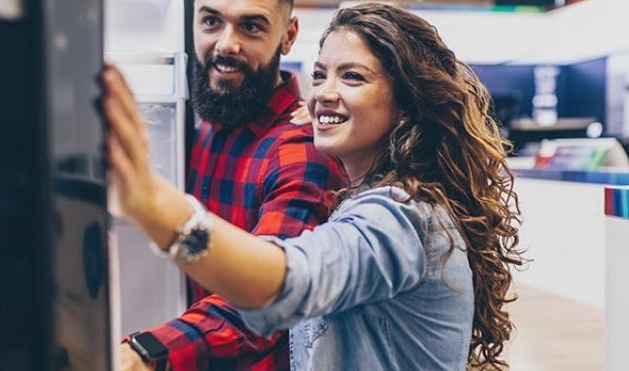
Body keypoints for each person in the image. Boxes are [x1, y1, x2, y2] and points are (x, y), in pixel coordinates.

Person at [103, 2, 525, 370]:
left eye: (353, 78)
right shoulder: (359, 200)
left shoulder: (402, 217)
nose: (324, 93)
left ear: (407, 104)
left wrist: (152, 203)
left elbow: (290, 281)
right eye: (320, 75)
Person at [112, 0, 346, 370]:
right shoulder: (208, 121)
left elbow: (268, 300)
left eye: (251, 27)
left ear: (288, 36)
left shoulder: (301, 154)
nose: (225, 44)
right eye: (211, 22)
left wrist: (143, 353)